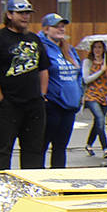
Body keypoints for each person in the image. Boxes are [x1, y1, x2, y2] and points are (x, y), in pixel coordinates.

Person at [0, 0, 47, 170]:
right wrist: (0, 99)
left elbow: (43, 69)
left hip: (34, 104)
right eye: (20, 13)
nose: (25, 17)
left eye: (27, 13)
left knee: (34, 150)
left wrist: (42, 95)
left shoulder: (34, 39)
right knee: (3, 150)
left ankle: (32, 189)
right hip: (9, 104)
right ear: (9, 14)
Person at [38, 13, 82, 168]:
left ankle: (58, 178)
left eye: (62, 26)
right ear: (46, 29)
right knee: (42, 146)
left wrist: (79, 96)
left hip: (69, 106)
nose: (61, 29)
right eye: (56, 26)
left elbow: (79, 74)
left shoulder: (68, 49)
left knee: (60, 147)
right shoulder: (41, 47)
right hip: (52, 105)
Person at [81, 40, 107, 157]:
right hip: (91, 95)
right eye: (95, 48)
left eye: (100, 47)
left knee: (97, 122)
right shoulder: (88, 62)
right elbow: (86, 79)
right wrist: (100, 71)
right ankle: (105, 148)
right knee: (100, 119)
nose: (97, 50)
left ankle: (88, 144)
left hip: (103, 95)